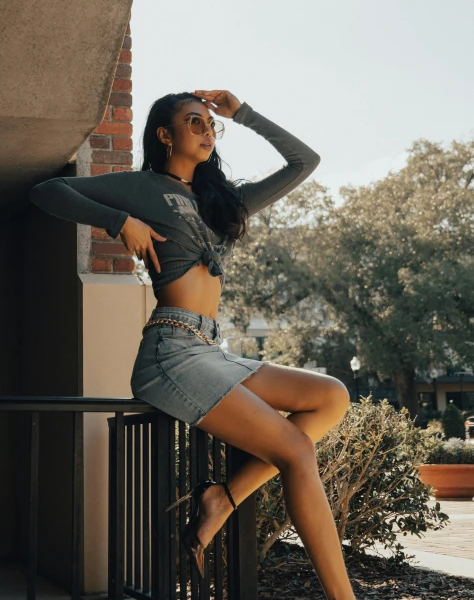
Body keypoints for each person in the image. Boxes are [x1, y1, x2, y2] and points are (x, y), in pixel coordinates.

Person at [29, 89, 356, 600]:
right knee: (295, 450)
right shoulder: (143, 188)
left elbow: (304, 161)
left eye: (210, 125)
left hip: (211, 350)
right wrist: (120, 221)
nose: (207, 131)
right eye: (194, 122)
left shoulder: (221, 200)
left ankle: (223, 499)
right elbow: (47, 192)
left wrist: (242, 114)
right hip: (171, 351)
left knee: (332, 396)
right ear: (165, 134)